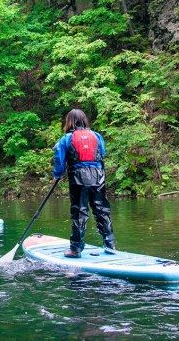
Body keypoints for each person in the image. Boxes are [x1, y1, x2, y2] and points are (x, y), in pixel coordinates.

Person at [52, 108, 116, 257]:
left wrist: (57, 175)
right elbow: (102, 153)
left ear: (69, 122)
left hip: (78, 177)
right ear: (84, 120)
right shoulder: (97, 135)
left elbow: (59, 160)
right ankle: (110, 244)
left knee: (79, 211)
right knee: (101, 210)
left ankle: (75, 249)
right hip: (98, 176)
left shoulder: (66, 138)